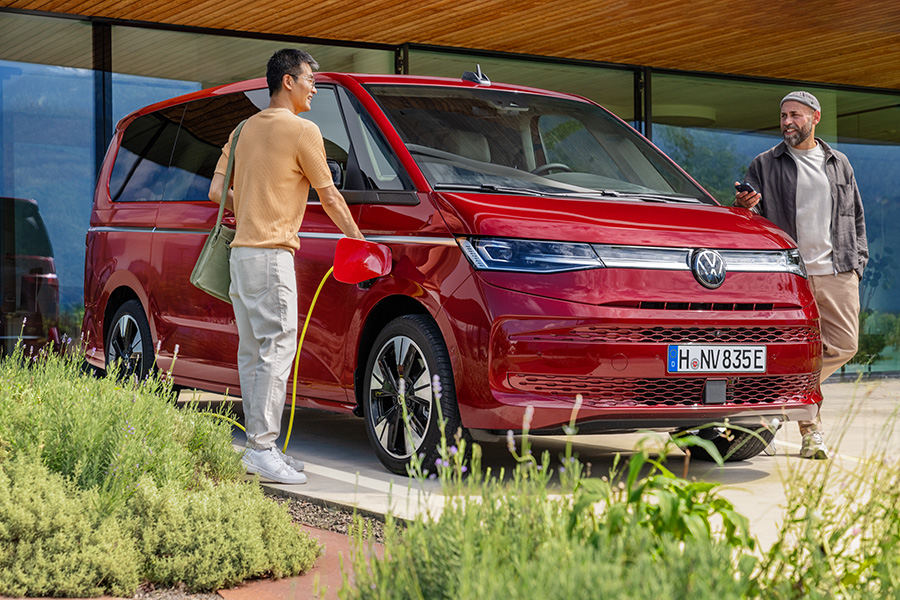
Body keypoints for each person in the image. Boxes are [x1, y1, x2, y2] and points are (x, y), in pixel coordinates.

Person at [208, 49, 364, 483]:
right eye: (310, 79)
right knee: (277, 350)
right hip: (273, 256)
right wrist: (358, 239)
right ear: (288, 82)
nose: (315, 86)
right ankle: (261, 448)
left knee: (253, 352)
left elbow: (215, 191)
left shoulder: (242, 130)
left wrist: (253, 203)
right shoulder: (302, 131)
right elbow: (329, 195)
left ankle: (259, 446)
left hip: (240, 256)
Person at [735, 90, 868, 460]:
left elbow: (855, 215)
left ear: (815, 117)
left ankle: (770, 406)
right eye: (783, 116)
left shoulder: (838, 162)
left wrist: (858, 263)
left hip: (837, 269)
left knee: (844, 345)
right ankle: (812, 433)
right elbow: (748, 220)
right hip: (790, 276)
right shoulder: (764, 163)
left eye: (795, 115)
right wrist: (742, 205)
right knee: (797, 350)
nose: (787, 122)